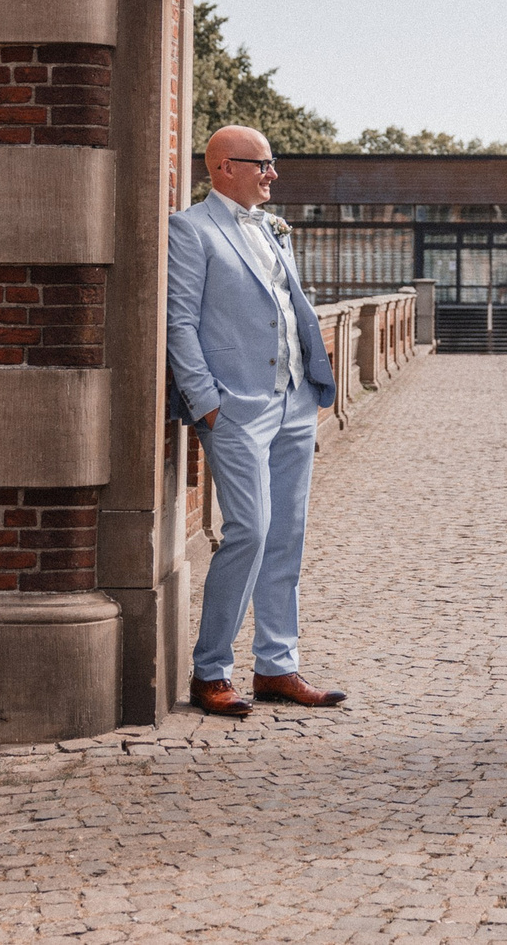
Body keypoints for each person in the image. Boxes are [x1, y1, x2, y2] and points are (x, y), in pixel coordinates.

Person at [166, 124, 348, 719]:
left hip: (295, 400)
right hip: (237, 408)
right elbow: (179, 324)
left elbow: (285, 305)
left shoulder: (272, 228)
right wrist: (207, 402)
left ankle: (276, 666)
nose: (273, 174)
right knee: (249, 528)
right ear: (224, 167)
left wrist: (313, 382)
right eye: (263, 163)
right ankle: (210, 671)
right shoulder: (190, 231)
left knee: (287, 534)